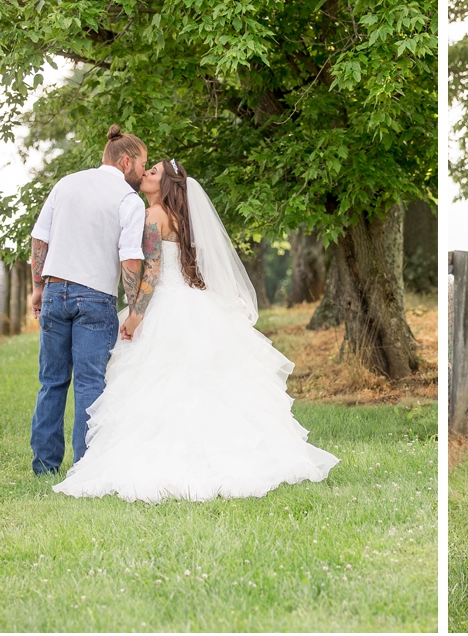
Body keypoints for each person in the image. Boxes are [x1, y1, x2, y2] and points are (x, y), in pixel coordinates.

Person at [53, 159, 338, 502]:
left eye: (153, 172)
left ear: (168, 184)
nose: (144, 174)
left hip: (164, 307)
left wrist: (136, 316)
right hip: (196, 303)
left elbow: (152, 273)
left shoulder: (154, 216)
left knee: (160, 384)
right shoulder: (183, 219)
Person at [29, 125, 148, 475]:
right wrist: (133, 308)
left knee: (51, 381)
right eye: (142, 164)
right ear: (126, 162)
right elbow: (130, 258)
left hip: (54, 290)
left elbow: (40, 240)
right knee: (90, 382)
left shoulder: (66, 184)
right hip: (94, 299)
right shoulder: (129, 201)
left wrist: (38, 287)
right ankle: (86, 468)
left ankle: (45, 466)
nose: (143, 172)